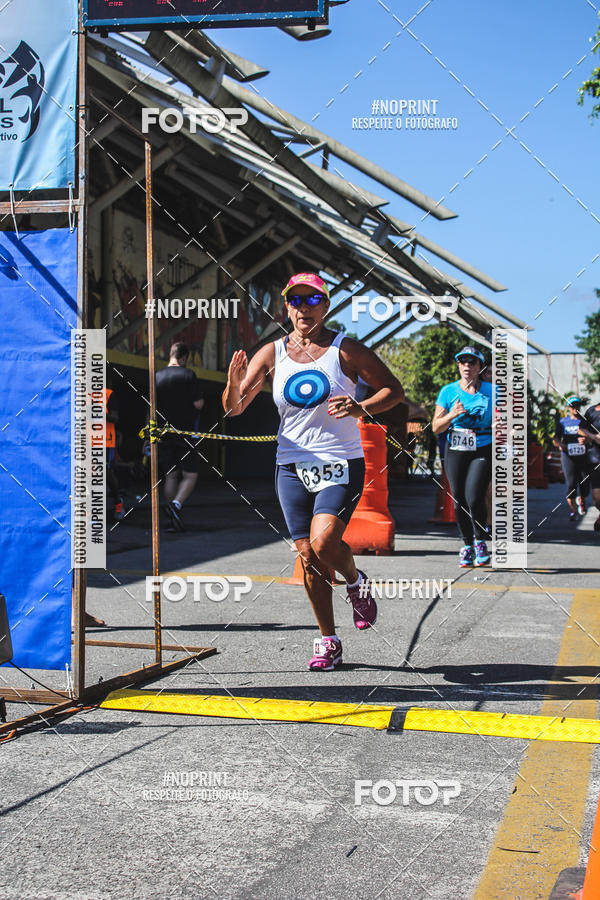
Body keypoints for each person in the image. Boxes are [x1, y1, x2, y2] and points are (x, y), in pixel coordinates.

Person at [222, 272, 404, 671]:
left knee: (324, 544)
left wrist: (361, 408)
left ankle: (356, 581)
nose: (304, 308)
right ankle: (328, 640)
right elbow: (233, 408)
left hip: (340, 461)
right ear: (286, 306)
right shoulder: (271, 353)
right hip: (290, 466)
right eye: (296, 301)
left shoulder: (346, 350)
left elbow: (394, 390)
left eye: (312, 300)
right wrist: (234, 382)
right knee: (307, 556)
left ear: (326, 305)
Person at [432, 346, 493, 567]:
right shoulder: (448, 392)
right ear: (458, 365)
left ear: (480, 367)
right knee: (459, 500)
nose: (467, 366)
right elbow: (436, 427)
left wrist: (506, 427)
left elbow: (511, 420)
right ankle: (467, 545)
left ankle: (480, 541)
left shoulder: (493, 391)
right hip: (456, 448)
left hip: (483, 447)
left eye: (472, 362)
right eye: (463, 361)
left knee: (475, 496)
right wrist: (452, 414)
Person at [155, 342, 204, 532]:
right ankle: (176, 504)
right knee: (190, 474)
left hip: (163, 433)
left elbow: (151, 407)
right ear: (184, 358)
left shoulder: (157, 376)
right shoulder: (188, 375)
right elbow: (198, 404)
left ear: (171, 355)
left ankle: (171, 514)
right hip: (185, 432)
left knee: (170, 475)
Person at [553, 396, 590, 521]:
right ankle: (573, 510)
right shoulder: (563, 422)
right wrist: (561, 445)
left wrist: (586, 439)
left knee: (584, 484)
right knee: (571, 484)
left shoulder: (585, 421)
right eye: (573, 406)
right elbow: (555, 438)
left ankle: (582, 500)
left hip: (583, 457)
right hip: (568, 457)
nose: (576, 409)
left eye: (578, 406)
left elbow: (592, 437)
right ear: (569, 408)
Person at [579, 397, 600, 531]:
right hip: (595, 458)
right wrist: (594, 437)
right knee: (597, 497)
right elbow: (581, 429)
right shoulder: (592, 411)